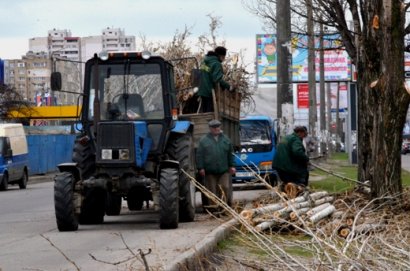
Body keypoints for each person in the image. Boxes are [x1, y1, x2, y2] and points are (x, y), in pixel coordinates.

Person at [196, 119, 236, 212]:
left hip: (224, 170)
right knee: (211, 191)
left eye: (218, 127)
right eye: (214, 127)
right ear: (210, 129)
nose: (216, 129)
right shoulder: (204, 141)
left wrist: (232, 165)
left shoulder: (226, 139)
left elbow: (231, 153)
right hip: (210, 171)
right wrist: (201, 168)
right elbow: (199, 155)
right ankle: (214, 209)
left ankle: (224, 208)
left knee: (225, 187)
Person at [197, 46, 233, 112]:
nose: (224, 59)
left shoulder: (204, 61)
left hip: (201, 90)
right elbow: (217, 79)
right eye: (224, 57)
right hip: (209, 91)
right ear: (221, 56)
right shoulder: (216, 64)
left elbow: (207, 73)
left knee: (204, 111)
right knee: (210, 113)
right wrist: (229, 87)